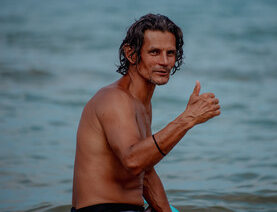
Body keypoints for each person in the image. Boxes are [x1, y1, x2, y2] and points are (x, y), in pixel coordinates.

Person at [71, 13, 221, 212]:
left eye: (170, 53)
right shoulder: (114, 99)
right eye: (154, 52)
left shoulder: (141, 104)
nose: (165, 61)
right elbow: (133, 161)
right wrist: (188, 118)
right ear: (131, 54)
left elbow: (146, 172)